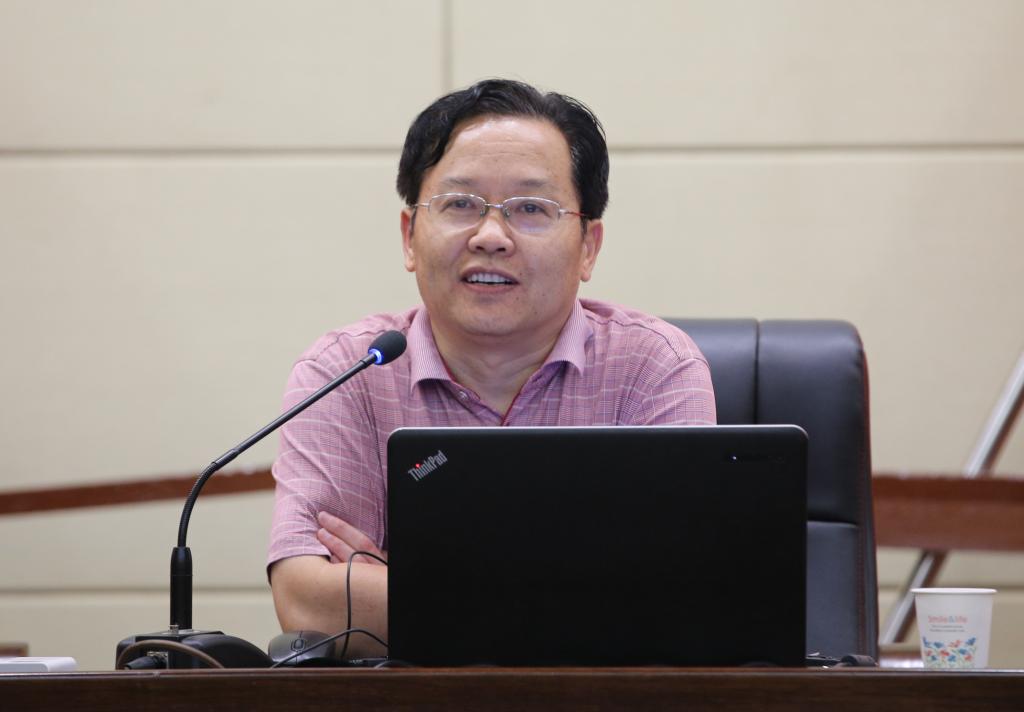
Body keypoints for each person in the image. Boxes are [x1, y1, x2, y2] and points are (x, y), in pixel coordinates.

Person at [267, 79, 716, 658]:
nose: (491, 236)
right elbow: (310, 607)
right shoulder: (346, 373)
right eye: (460, 204)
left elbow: (678, 605)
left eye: (531, 208)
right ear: (409, 237)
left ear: (588, 246)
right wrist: (574, 595)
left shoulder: (653, 369)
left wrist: (407, 587)